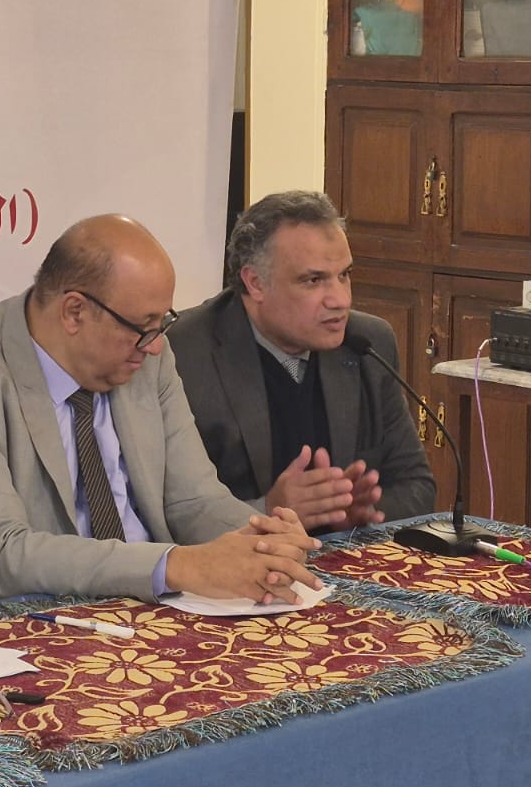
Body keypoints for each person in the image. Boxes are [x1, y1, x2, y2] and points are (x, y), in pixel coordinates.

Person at [0, 214, 321, 615]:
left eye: (162, 323)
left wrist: (261, 542)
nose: (155, 345)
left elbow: (193, 499)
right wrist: (176, 566)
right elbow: (5, 552)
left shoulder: (147, 361)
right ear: (74, 312)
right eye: (142, 327)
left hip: (144, 615)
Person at [170, 191, 435, 532]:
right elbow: (169, 517)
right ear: (255, 283)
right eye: (313, 280)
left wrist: (359, 513)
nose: (340, 300)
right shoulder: (184, 353)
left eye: (344, 275)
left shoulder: (367, 343)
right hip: (243, 559)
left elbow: (417, 485)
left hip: (343, 557)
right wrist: (266, 511)